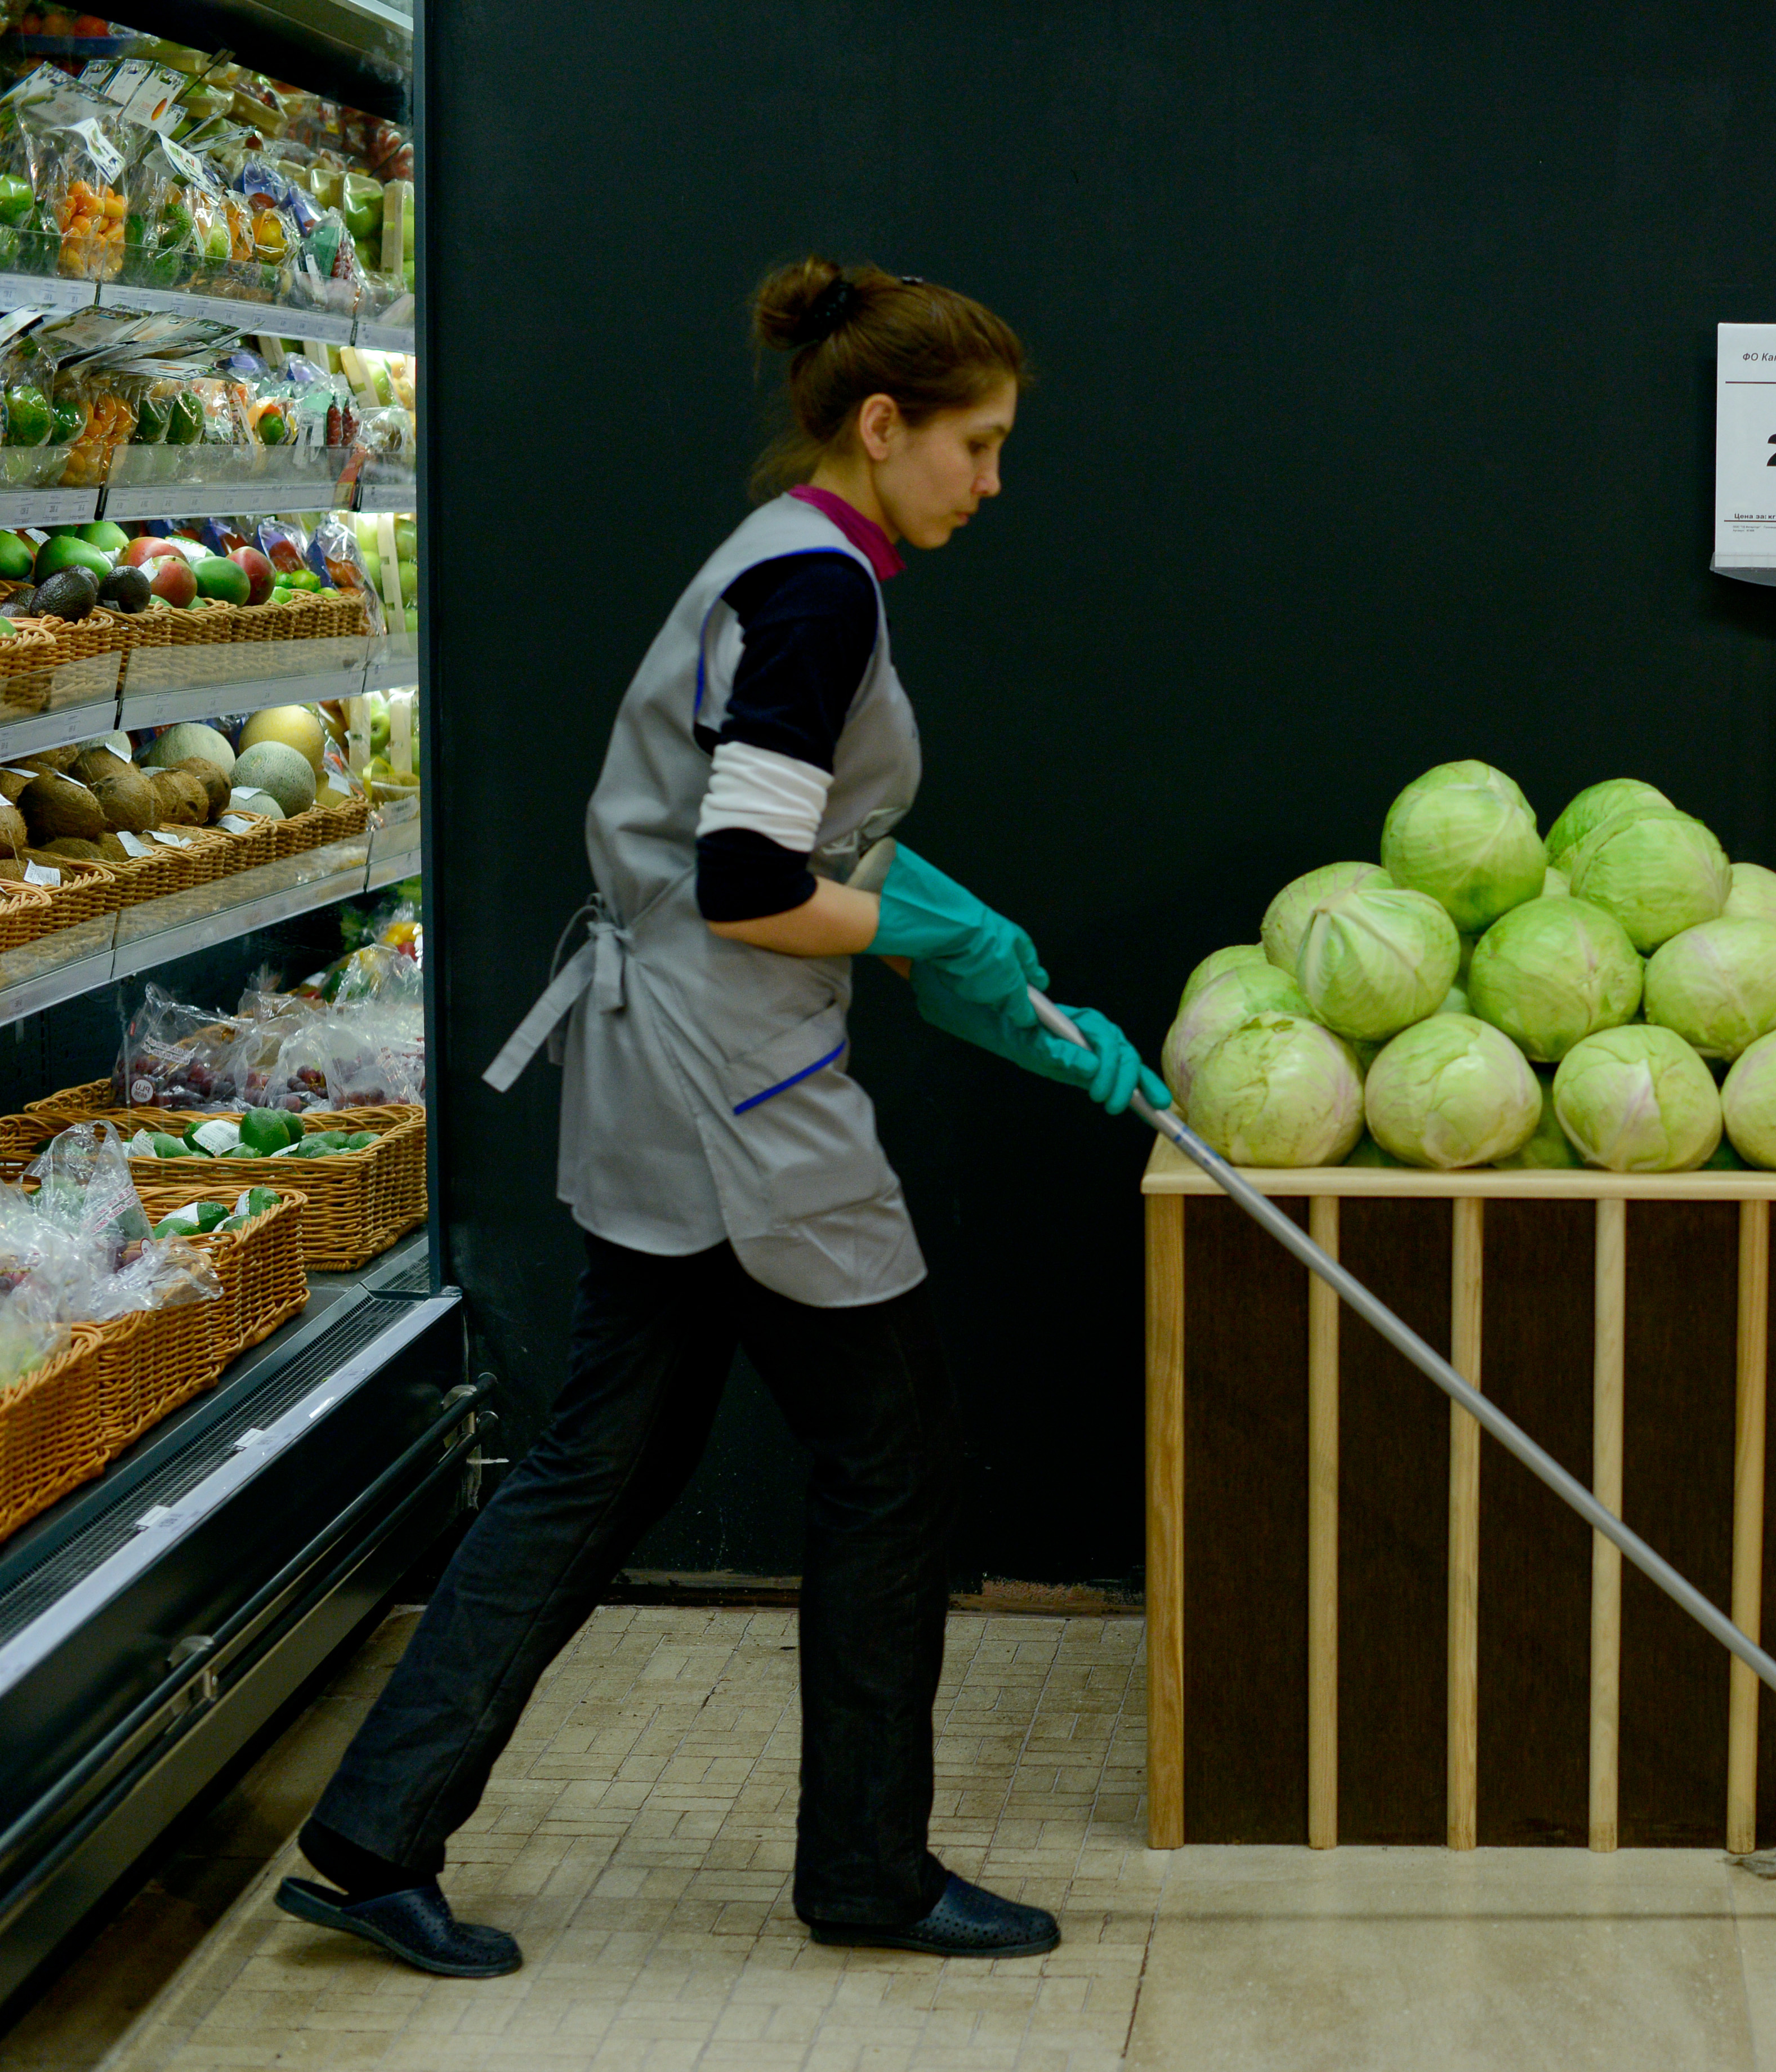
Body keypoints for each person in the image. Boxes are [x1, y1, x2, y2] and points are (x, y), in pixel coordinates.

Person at [275, 258, 1162, 1978]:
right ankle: (870, 1876)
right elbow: (758, 885)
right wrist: (927, 936)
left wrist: (971, 959)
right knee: (892, 1460)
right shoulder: (823, 596)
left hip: (675, 1071)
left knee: (600, 1464)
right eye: (975, 445)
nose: (994, 481)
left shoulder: (783, 568)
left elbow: (777, 834)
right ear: (882, 426)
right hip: (735, 1085)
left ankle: (377, 1832)